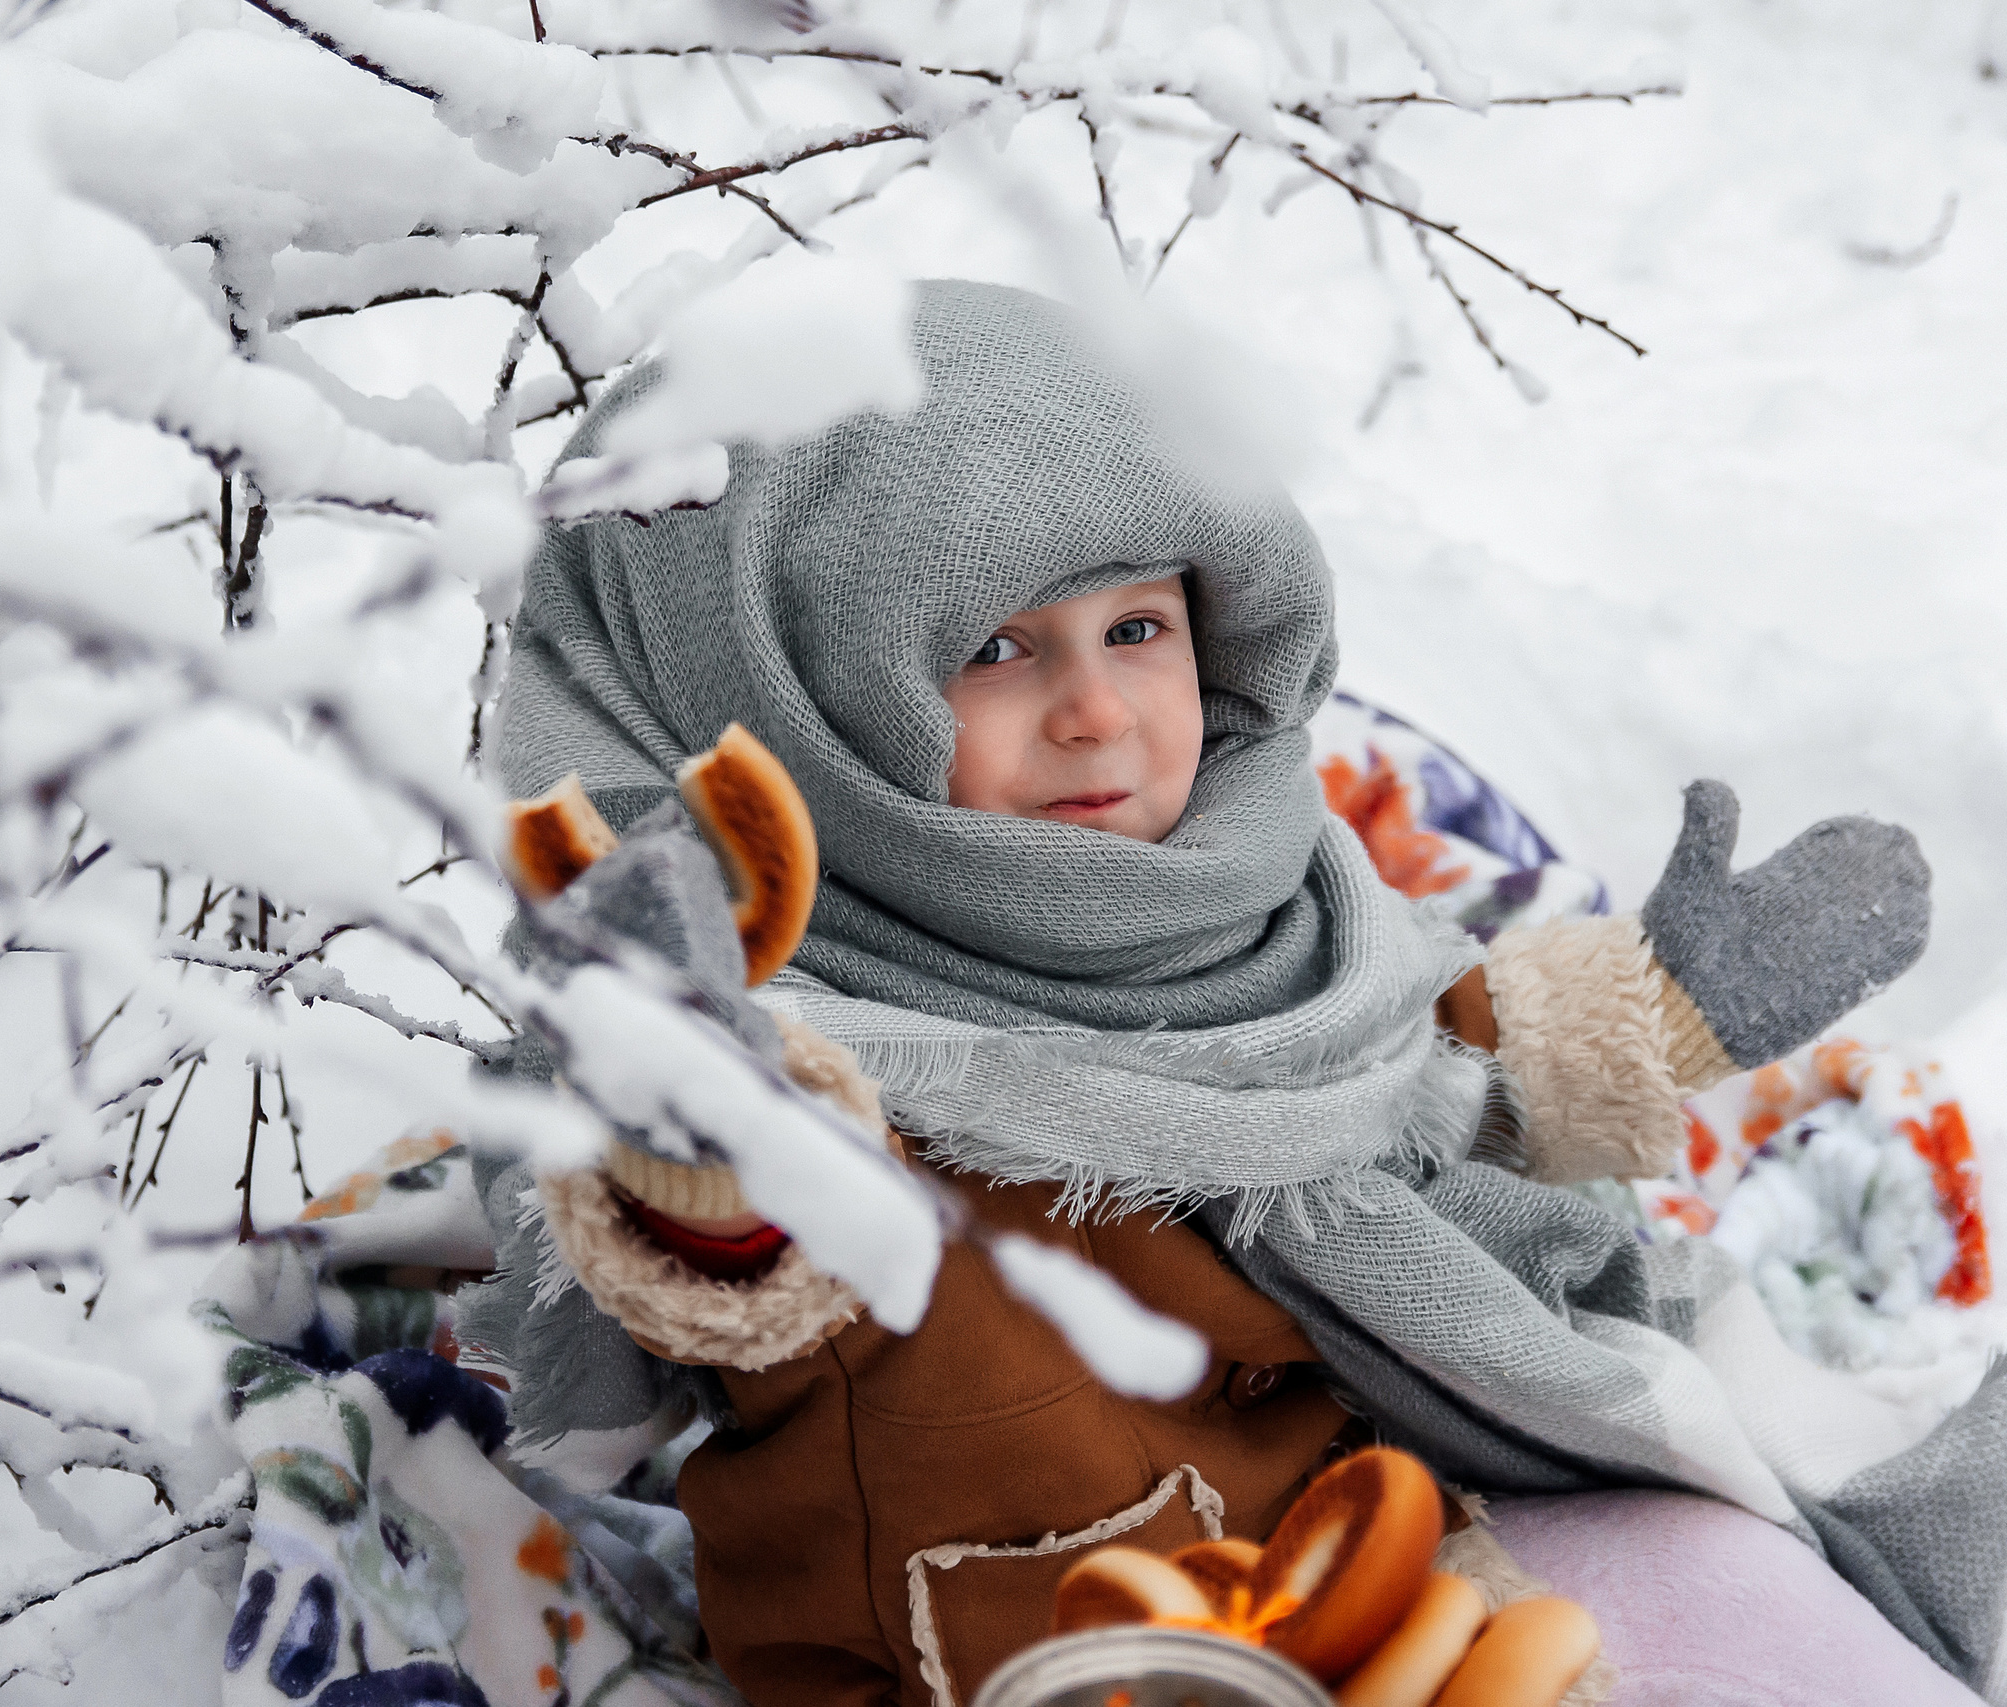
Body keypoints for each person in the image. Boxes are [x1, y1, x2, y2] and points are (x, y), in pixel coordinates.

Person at [460, 281, 1998, 1707]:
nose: (1094, 711)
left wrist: (1657, 1004)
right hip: (1046, 1643)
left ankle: (1852, 1615)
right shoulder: (801, 1026)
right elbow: (714, 1277)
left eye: (1136, 628)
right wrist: (690, 1106)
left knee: (1731, 1592)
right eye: (994, 649)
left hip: (1380, 1531)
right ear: (793, 704)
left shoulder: (1251, 909)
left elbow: (1416, 1076)